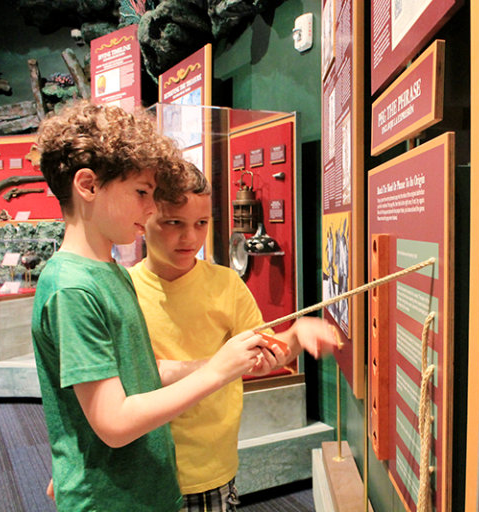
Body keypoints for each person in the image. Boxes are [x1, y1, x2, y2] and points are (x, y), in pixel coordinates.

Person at [31, 101, 292, 512]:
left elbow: (131, 381)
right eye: (141, 193)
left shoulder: (108, 273)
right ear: (88, 186)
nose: (151, 209)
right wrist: (219, 369)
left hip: (146, 488)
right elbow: (114, 423)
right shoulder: (73, 289)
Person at [129, 162, 334, 511]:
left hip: (213, 465)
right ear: (144, 218)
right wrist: (218, 366)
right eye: (173, 223)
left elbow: (262, 357)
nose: (190, 238)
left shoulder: (225, 284)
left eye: (201, 224)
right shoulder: (125, 290)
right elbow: (137, 376)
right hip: (145, 465)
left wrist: (296, 334)